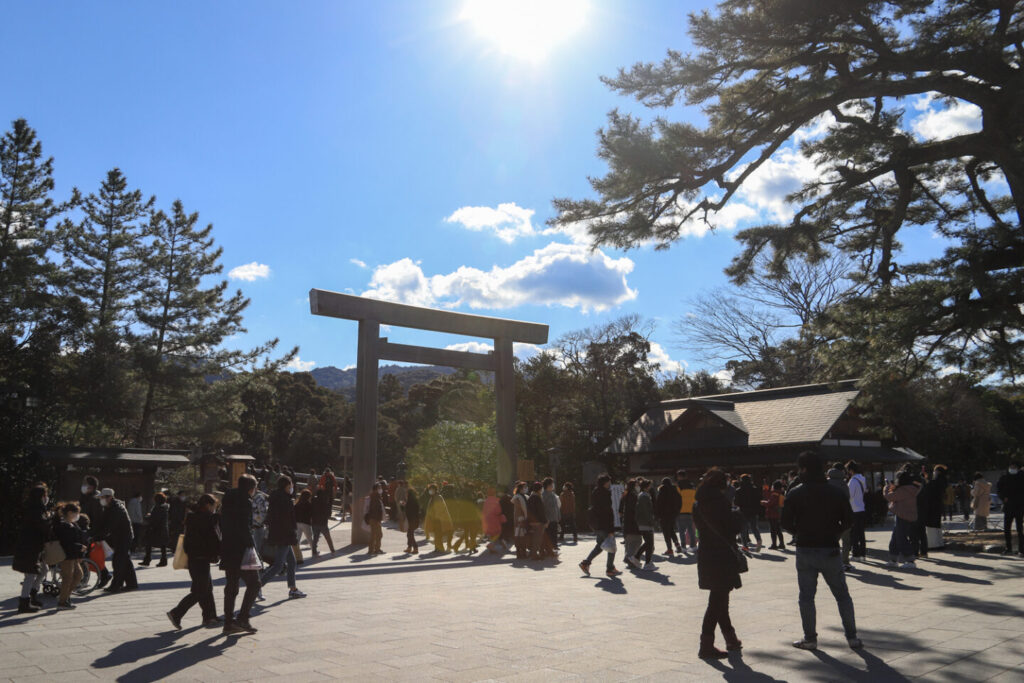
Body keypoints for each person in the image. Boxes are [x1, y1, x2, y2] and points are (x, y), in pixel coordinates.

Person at [781, 451, 862, 651]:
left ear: (803, 469)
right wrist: (835, 533)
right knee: (842, 595)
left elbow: (785, 523)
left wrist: (799, 533)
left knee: (806, 597)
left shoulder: (795, 492)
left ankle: (810, 639)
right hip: (830, 548)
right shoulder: (836, 492)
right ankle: (852, 637)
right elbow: (849, 520)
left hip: (805, 549)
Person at [693, 468, 743, 659]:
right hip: (722, 554)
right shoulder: (722, 502)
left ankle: (731, 638)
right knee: (717, 601)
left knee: (720, 598)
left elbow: (699, 528)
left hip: (706, 553)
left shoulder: (698, 503)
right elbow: (733, 528)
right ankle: (706, 645)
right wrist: (737, 513)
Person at [167, 494, 221, 629]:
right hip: (201, 557)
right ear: (208, 505)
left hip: (195, 557)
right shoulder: (207, 518)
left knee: (206, 588)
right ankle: (176, 613)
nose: (214, 508)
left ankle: (210, 616)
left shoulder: (193, 517)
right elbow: (212, 538)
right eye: (214, 506)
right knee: (200, 590)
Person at [220, 474, 261, 634]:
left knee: (231, 586)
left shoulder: (228, 499)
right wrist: (252, 547)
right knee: (254, 584)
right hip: (241, 550)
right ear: (251, 488)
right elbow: (245, 528)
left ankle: (228, 623)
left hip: (227, 548)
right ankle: (243, 618)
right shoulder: (245, 502)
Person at [261, 476, 306, 598]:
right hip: (284, 536)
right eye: (290, 485)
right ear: (286, 486)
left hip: (278, 534)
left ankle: (293, 588)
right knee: (278, 566)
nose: (292, 487)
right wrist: (293, 536)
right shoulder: (286, 500)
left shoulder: (275, 497)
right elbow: (288, 521)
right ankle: (257, 586)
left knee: (292, 562)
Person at [14, 484, 51, 613]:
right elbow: (43, 527)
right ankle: (24, 602)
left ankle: (32, 594)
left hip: (33, 546)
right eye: (45, 495)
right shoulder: (35, 510)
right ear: (40, 496)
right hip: (30, 547)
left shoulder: (34, 508)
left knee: (44, 569)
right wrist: (49, 519)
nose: (46, 497)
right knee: (30, 574)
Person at [579, 474, 620, 577]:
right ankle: (610, 569)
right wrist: (611, 529)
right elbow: (607, 512)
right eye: (609, 482)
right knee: (611, 545)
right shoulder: (605, 493)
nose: (610, 483)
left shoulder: (595, 492)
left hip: (597, 524)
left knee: (600, 546)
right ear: (605, 483)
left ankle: (585, 563)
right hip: (605, 525)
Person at [100, 488, 138, 593]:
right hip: (120, 537)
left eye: (103, 497)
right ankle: (132, 584)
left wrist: (99, 536)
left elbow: (110, 526)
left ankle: (116, 585)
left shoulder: (117, 508)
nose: (101, 499)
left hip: (124, 537)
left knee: (118, 562)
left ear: (110, 497)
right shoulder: (110, 507)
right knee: (125, 561)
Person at [884, 471, 922, 569]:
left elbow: (889, 497)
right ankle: (893, 560)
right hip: (908, 516)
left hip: (902, 516)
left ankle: (910, 560)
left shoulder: (903, 490)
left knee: (900, 538)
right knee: (895, 538)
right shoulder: (911, 488)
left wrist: (886, 488)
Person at [54, 502, 87, 610]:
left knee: (78, 575)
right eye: (75, 513)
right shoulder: (63, 525)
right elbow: (66, 543)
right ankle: (62, 601)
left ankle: (65, 596)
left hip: (73, 555)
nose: (77, 515)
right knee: (67, 578)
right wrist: (79, 547)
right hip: (66, 556)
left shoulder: (72, 524)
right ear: (69, 513)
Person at [79, 476, 109, 588]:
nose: (83, 486)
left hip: (90, 531)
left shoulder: (96, 499)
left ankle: (86, 579)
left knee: (87, 555)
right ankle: (101, 575)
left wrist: (95, 535)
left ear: (92, 487)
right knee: (87, 556)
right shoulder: (85, 497)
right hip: (84, 529)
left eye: (85, 484)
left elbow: (97, 519)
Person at [826, 464, 853, 570]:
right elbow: (847, 498)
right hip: (842, 515)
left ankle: (831, 562)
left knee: (831, 540)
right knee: (846, 540)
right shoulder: (843, 483)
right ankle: (845, 561)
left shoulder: (826, 483)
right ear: (841, 471)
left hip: (828, 516)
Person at [996, 461, 1024, 556]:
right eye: (1011, 467)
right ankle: (1008, 548)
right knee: (1007, 528)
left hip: (1019, 506)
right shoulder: (1004, 477)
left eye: (1014, 467)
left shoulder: (1021, 477)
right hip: (1008, 506)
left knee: (1020, 529)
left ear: (1018, 468)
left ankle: (1021, 549)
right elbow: (999, 489)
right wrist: (1003, 497)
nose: (1012, 468)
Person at [140, 492, 170, 567]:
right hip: (162, 529)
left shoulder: (158, 508)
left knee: (148, 543)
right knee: (162, 546)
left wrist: (147, 517)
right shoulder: (164, 507)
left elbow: (155, 518)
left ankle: (147, 560)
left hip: (155, 529)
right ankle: (163, 560)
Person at [846, 461, 868, 562]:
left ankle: (855, 554)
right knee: (861, 533)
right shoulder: (862, 479)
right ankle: (863, 554)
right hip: (861, 508)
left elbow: (849, 495)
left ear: (851, 470)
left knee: (854, 533)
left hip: (854, 509)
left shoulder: (853, 481)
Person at [735, 474, 763, 551]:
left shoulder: (739, 490)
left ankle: (745, 546)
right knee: (754, 528)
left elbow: (736, 502)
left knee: (743, 529)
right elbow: (759, 500)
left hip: (743, 512)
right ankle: (758, 540)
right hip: (753, 512)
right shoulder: (755, 489)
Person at [655, 477, 683, 556]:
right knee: (671, 530)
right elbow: (680, 502)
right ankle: (677, 545)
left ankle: (669, 549)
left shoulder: (662, 490)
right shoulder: (675, 490)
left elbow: (658, 504)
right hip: (673, 515)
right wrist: (677, 512)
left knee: (666, 532)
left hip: (664, 515)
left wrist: (657, 515)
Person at [424, 483, 454, 553]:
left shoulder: (438, 497)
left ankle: (441, 547)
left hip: (439, 518)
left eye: (431, 489)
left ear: (435, 490)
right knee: (437, 534)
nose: (430, 491)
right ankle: (438, 547)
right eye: (429, 489)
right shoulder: (433, 497)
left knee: (440, 533)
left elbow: (440, 508)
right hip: (435, 518)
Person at [620, 479, 642, 569]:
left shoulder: (625, 494)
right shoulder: (634, 495)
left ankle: (629, 560)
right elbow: (636, 509)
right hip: (633, 521)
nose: (638, 486)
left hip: (626, 521)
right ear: (634, 486)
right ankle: (629, 557)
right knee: (637, 540)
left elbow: (620, 509)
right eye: (637, 485)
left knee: (628, 542)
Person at [634, 479, 656, 570]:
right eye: (649, 485)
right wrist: (651, 521)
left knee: (648, 543)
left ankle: (641, 559)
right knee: (649, 543)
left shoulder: (642, 495)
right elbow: (646, 511)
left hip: (643, 522)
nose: (650, 487)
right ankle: (644, 561)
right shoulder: (644, 496)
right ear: (646, 487)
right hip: (646, 522)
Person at [526, 481, 549, 560]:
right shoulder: (538, 498)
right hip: (538, 522)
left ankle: (534, 553)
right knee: (537, 539)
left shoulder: (530, 497)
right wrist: (545, 521)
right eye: (541, 488)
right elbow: (541, 511)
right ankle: (534, 554)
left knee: (534, 538)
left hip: (531, 521)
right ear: (539, 489)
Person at [676, 470, 697, 554]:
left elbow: (676, 498)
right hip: (691, 511)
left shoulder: (678, 486)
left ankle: (683, 547)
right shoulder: (693, 486)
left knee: (681, 531)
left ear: (679, 476)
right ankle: (693, 546)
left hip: (681, 511)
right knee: (691, 530)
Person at [311, 485, 336, 554]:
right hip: (323, 523)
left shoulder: (313, 501)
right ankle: (332, 549)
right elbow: (328, 513)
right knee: (328, 537)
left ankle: (314, 550)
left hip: (314, 522)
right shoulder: (325, 502)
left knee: (315, 537)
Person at [763, 480, 786, 550]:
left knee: (773, 530)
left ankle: (774, 545)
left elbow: (770, 503)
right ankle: (782, 544)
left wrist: (763, 503)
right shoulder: (780, 493)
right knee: (778, 530)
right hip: (778, 514)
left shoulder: (774, 494)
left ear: (774, 486)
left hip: (773, 514)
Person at [541, 477, 561, 554]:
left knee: (554, 535)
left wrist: (558, 516)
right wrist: (546, 519)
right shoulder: (543, 495)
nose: (553, 486)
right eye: (552, 484)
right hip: (548, 520)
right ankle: (549, 550)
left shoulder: (553, 494)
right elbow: (543, 508)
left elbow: (557, 507)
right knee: (549, 535)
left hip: (554, 518)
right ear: (548, 485)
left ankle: (553, 549)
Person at [365, 483, 386, 554]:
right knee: (378, 535)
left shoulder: (374, 496)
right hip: (375, 519)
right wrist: (378, 519)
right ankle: (375, 549)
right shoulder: (375, 497)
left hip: (373, 518)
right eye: (379, 487)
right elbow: (375, 509)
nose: (381, 489)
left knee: (374, 534)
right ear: (376, 489)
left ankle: (373, 549)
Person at [511, 481, 530, 559]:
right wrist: (523, 517)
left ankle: (521, 552)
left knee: (521, 535)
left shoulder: (523, 496)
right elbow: (521, 509)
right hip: (520, 519)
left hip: (521, 519)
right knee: (520, 536)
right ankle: (520, 552)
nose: (526, 488)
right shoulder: (518, 497)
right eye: (525, 487)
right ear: (521, 489)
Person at [294, 488, 315, 554]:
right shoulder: (309, 504)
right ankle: (314, 551)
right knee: (310, 538)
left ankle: (296, 553)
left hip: (297, 523)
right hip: (306, 523)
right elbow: (311, 514)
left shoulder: (297, 504)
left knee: (297, 539)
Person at [404, 485, 421, 554]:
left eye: (407, 493)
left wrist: (403, 506)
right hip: (414, 520)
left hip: (412, 520)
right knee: (409, 534)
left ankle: (415, 548)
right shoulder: (415, 500)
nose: (406, 494)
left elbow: (408, 511)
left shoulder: (410, 501)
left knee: (410, 534)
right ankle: (409, 547)